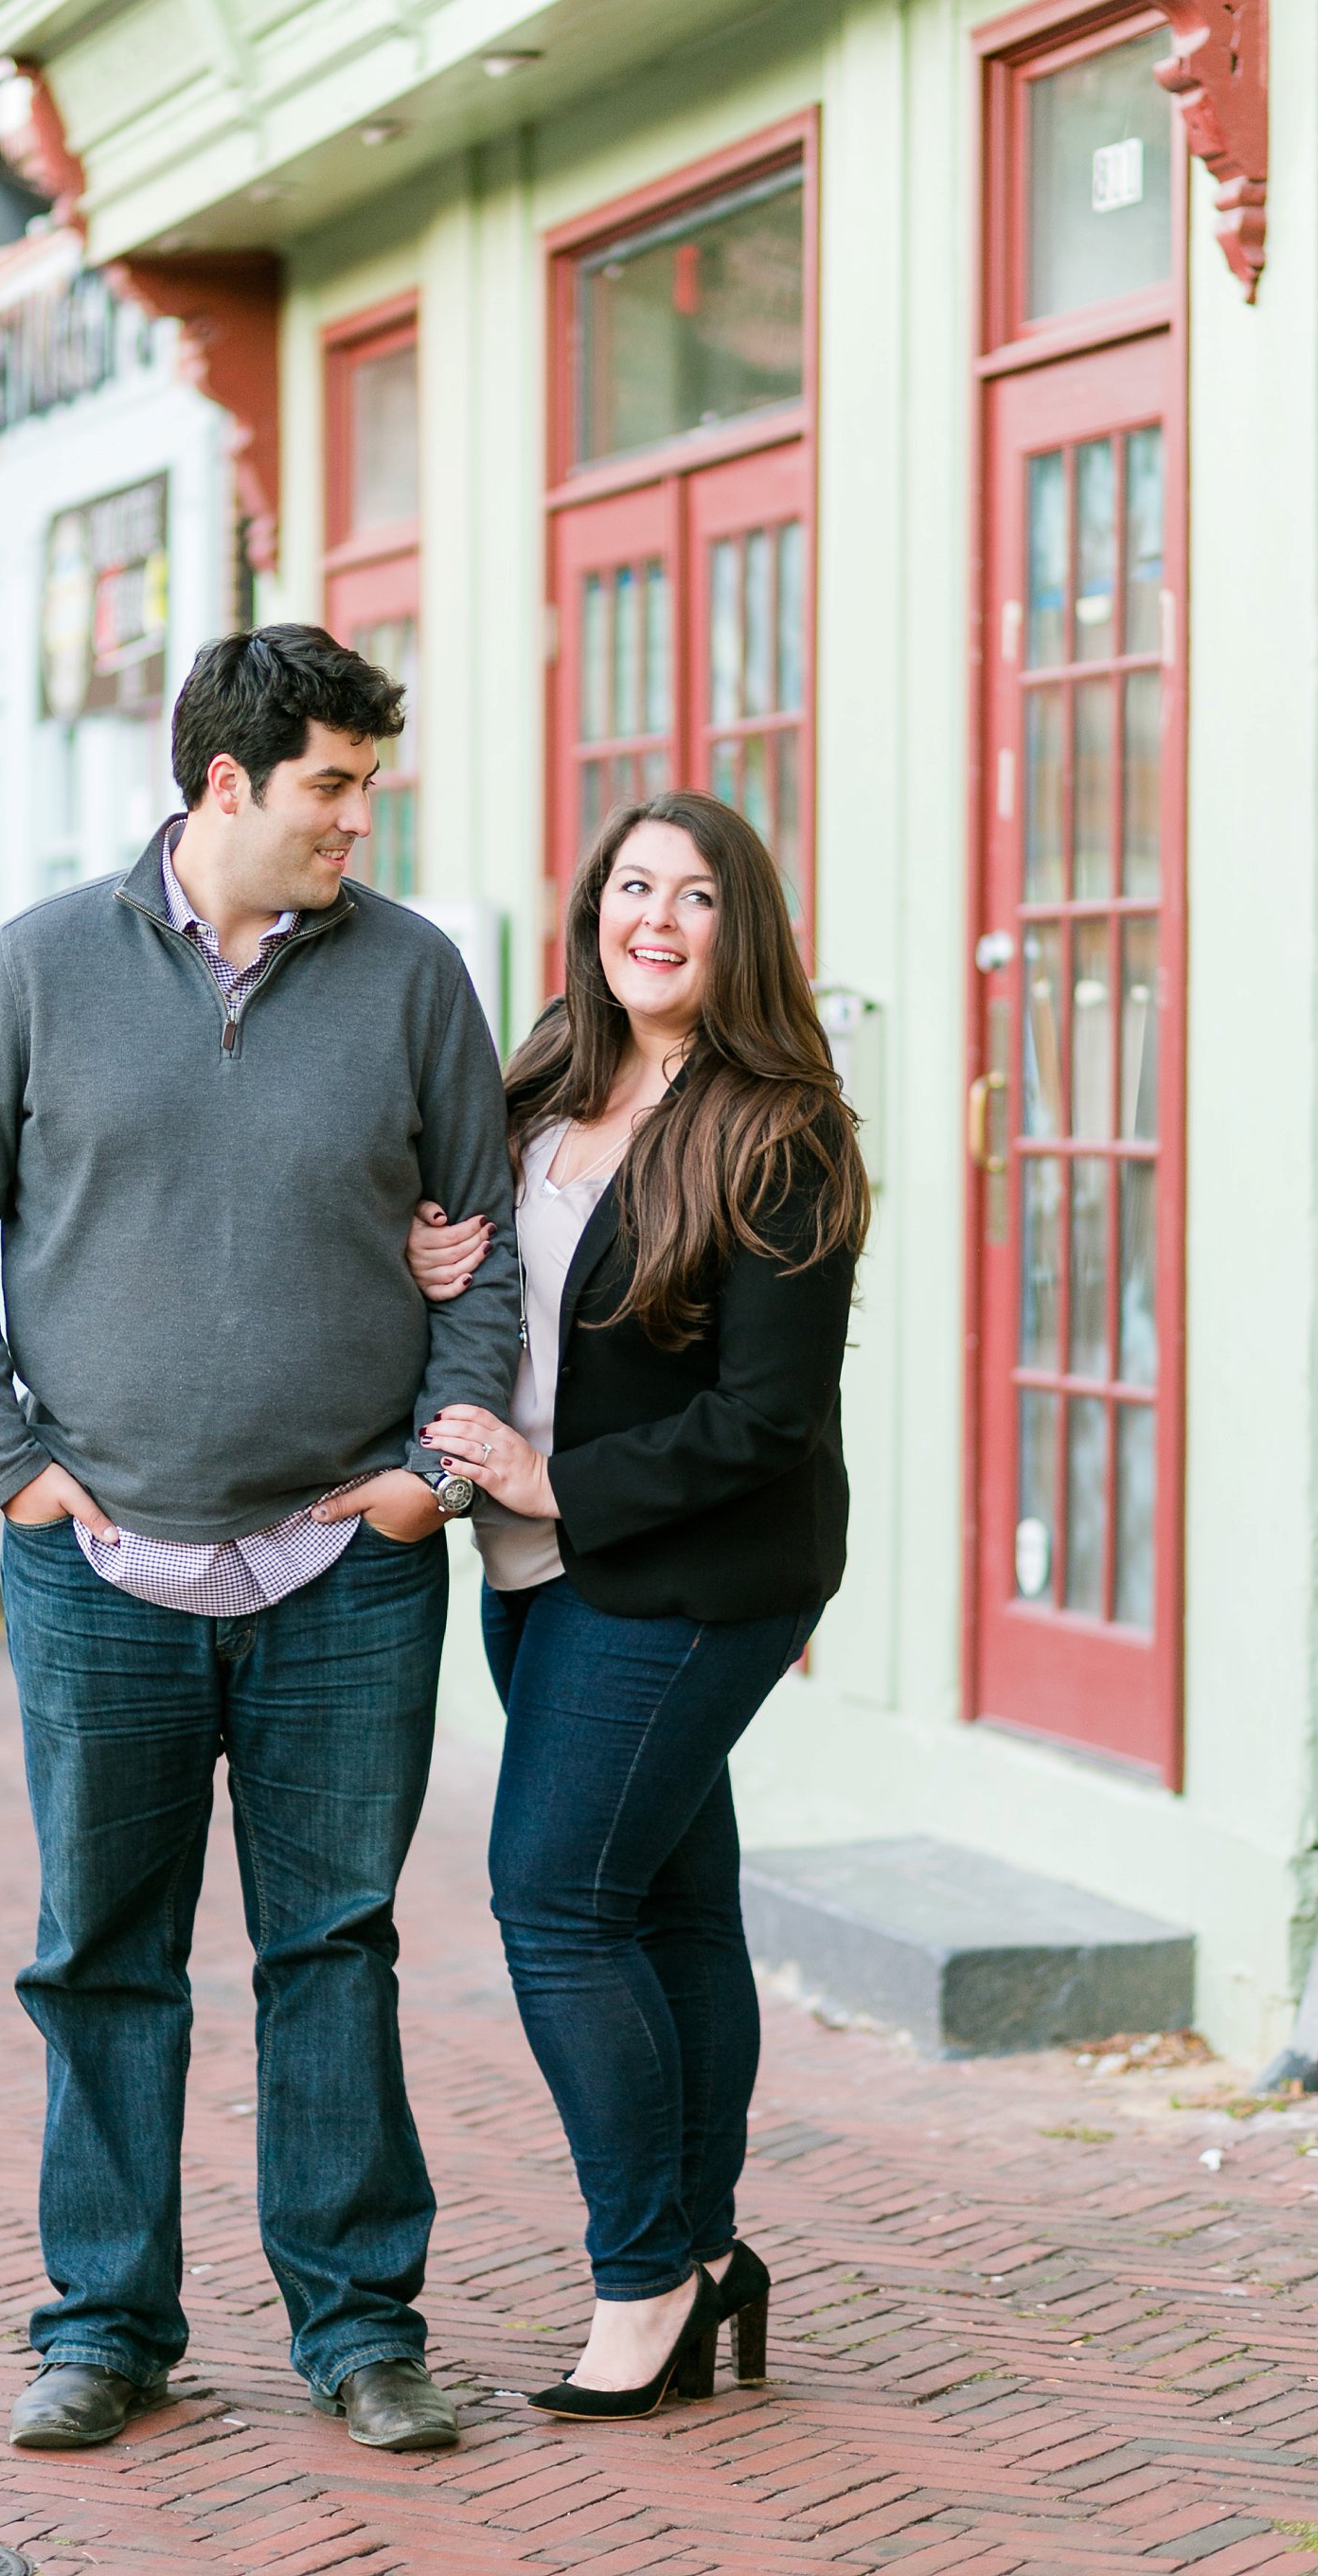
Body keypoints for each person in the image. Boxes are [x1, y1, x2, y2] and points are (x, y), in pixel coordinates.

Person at [0, 627, 521, 2457]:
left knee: (336, 1943)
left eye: (369, 783)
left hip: (350, 1566)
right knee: (103, 1951)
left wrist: (432, 1481)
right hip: (101, 1568)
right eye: (334, 781)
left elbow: (484, 1249)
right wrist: (5, 1464)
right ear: (226, 782)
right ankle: (102, 2322)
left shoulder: (414, 980)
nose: (359, 816)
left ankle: (359, 2327)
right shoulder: (42, 969)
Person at [406, 791, 867, 2422]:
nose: (654, 917)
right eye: (629, 885)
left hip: (689, 1575)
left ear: (740, 930)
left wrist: (555, 1484)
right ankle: (716, 2255)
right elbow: (491, 1283)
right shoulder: (537, 1077)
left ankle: (645, 2274)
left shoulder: (779, 1125)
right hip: (539, 1575)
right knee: (668, 1908)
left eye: (694, 895)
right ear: (594, 908)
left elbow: (769, 1419)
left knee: (553, 1901)